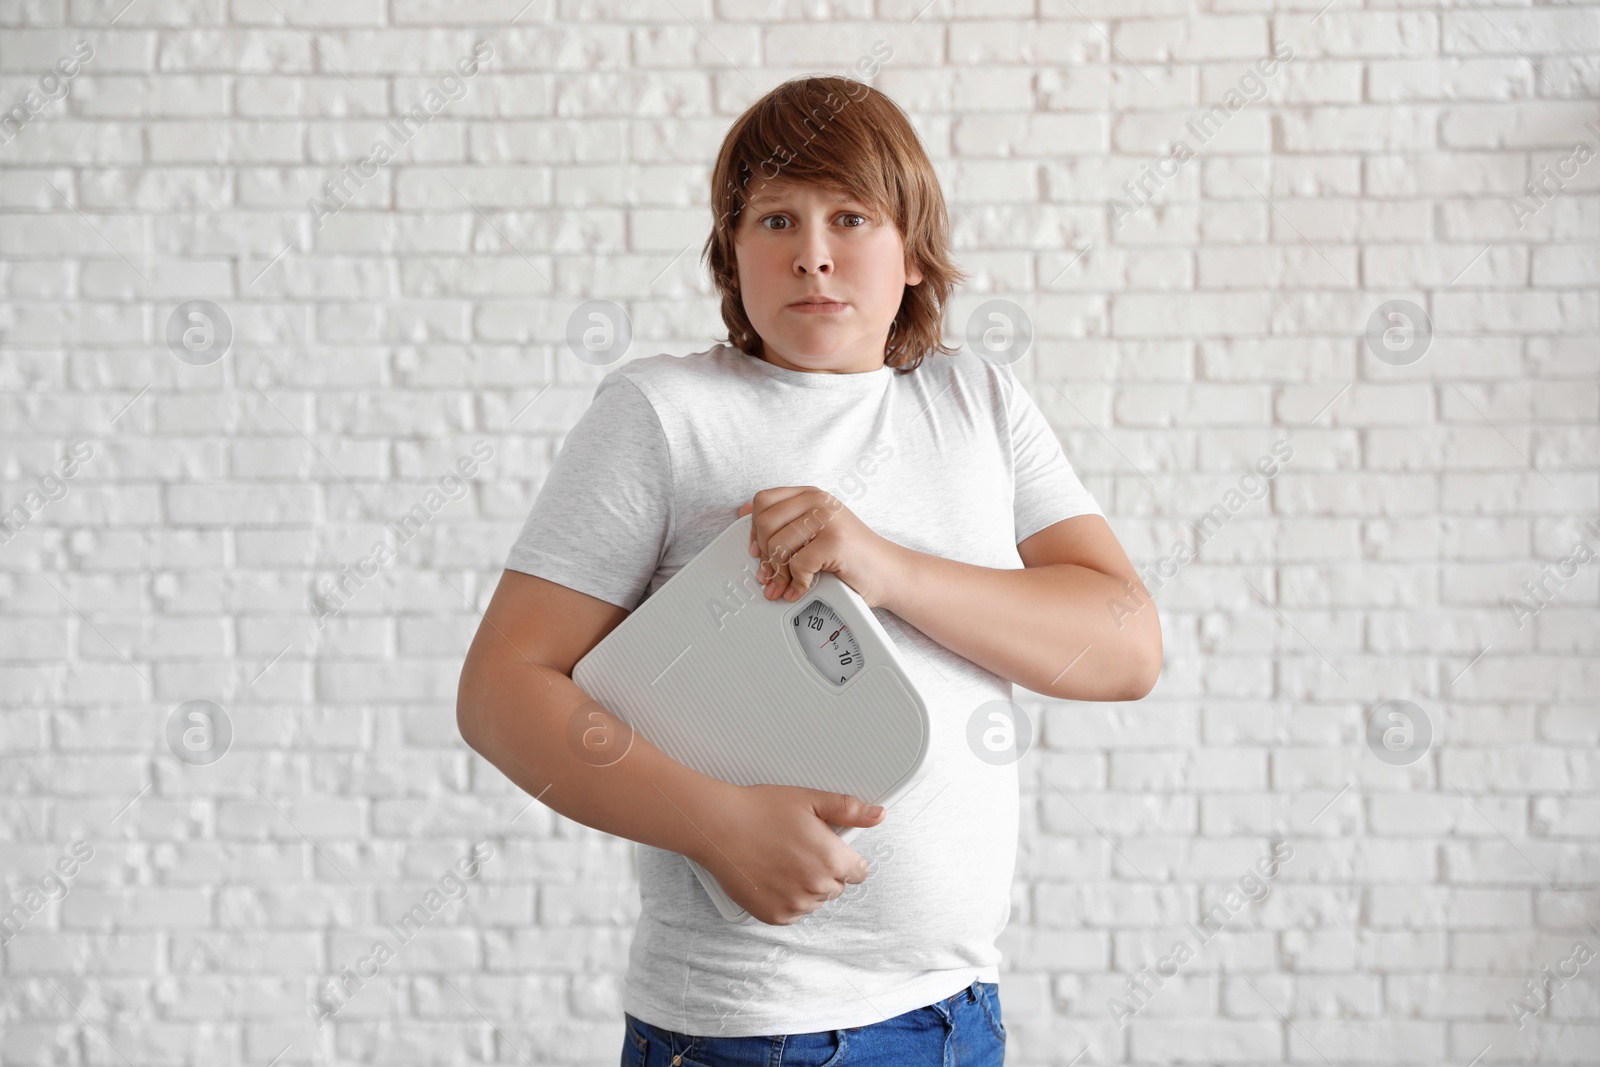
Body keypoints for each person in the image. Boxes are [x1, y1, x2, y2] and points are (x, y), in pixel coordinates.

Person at [456, 74, 1162, 1066]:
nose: (814, 253)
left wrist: (884, 565)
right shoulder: (662, 413)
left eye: (851, 217)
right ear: (729, 253)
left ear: (913, 250)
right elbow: (499, 692)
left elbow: (1124, 645)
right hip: (754, 1031)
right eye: (775, 218)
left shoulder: (979, 403)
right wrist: (717, 825)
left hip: (961, 1011)